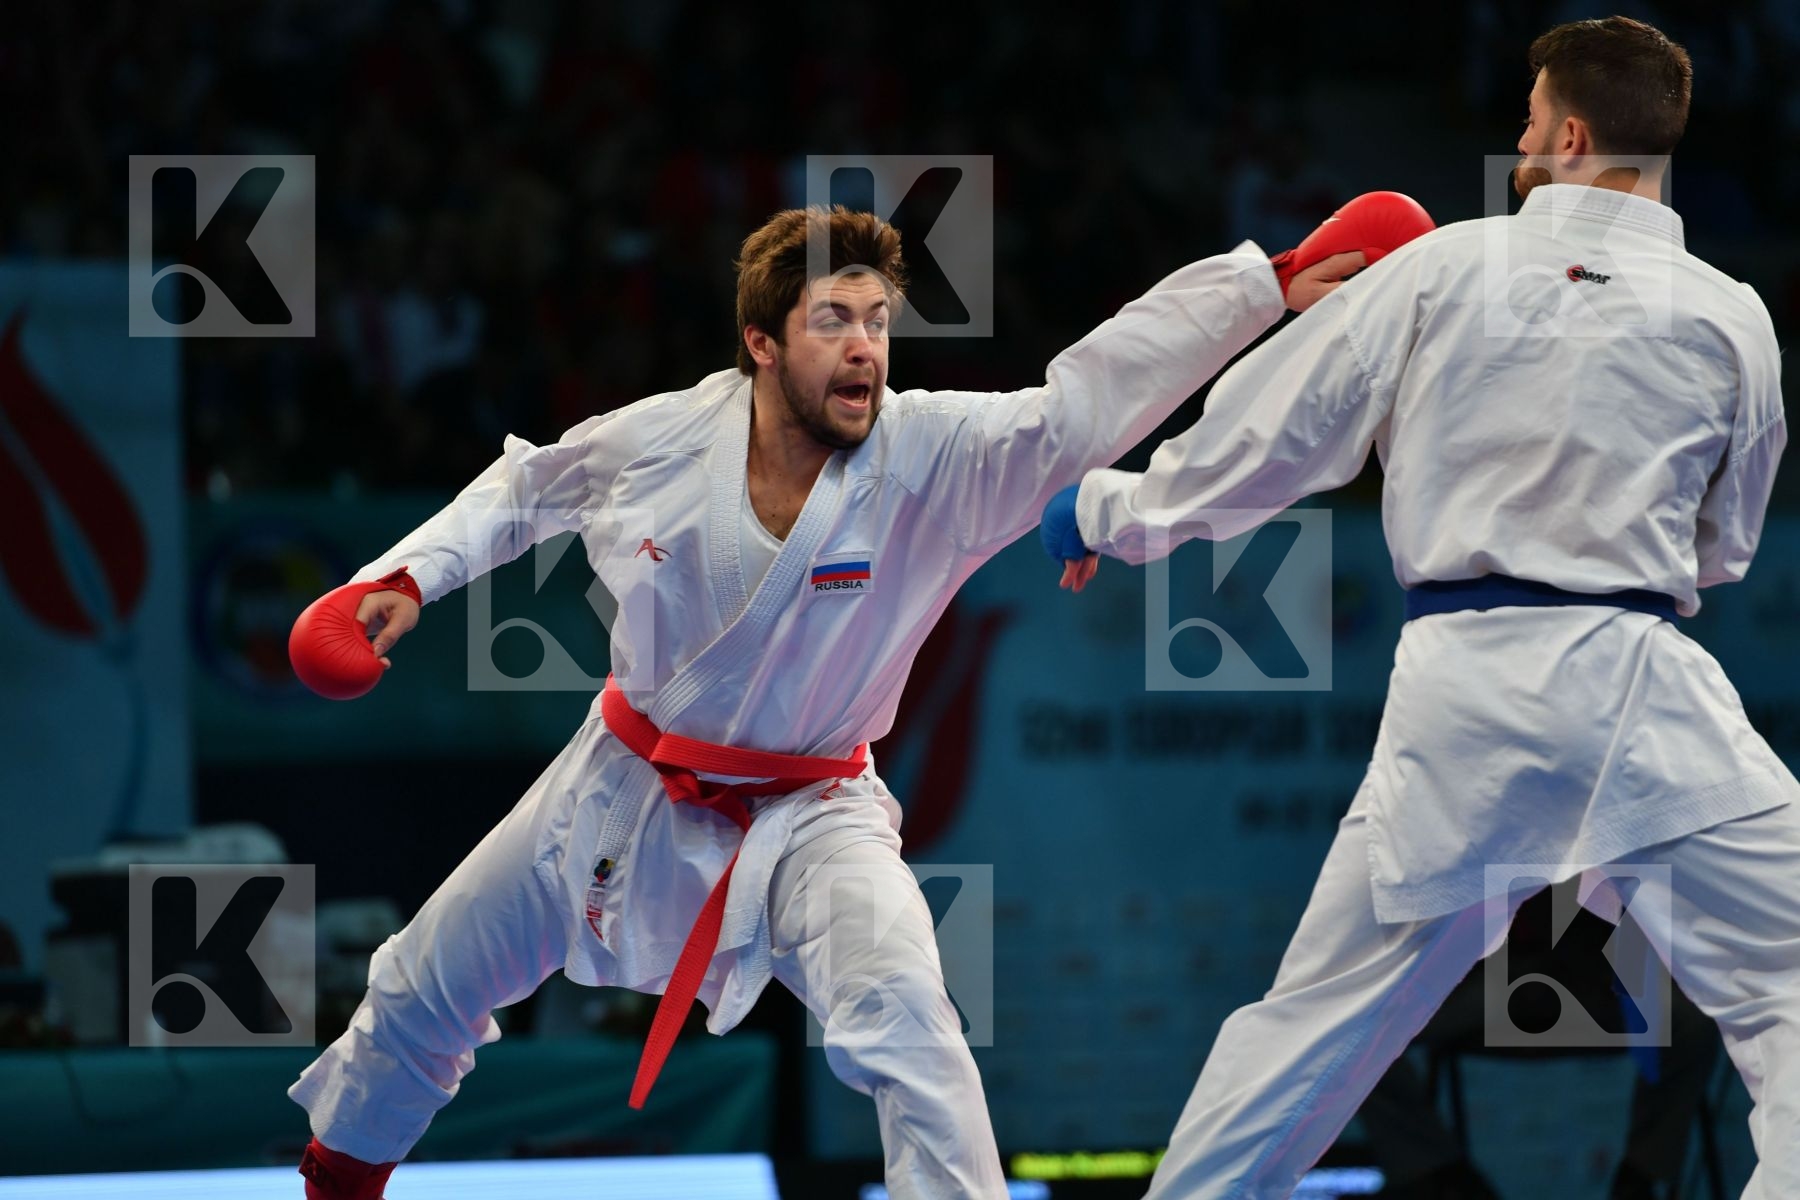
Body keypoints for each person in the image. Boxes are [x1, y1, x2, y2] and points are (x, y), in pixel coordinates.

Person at [285, 200, 1425, 1200]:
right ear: (761, 344)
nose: (867, 348)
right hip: (617, 782)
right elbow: (524, 490)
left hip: (813, 814)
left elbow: (1089, 397)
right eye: (835, 319)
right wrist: (398, 579)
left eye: (879, 321)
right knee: (419, 988)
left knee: (909, 1025)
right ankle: (337, 1186)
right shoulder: (664, 437)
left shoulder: (937, 456)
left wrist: (1264, 284)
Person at [1040, 16, 1793, 1200]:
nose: (1520, 136)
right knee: (1791, 989)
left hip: (1469, 691)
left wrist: (1109, 511)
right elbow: (1730, 542)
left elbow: (1272, 439)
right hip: (1642, 683)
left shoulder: (1445, 267)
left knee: (1315, 1032)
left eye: (1534, 119)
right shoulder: (1732, 311)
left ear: (1577, 132)